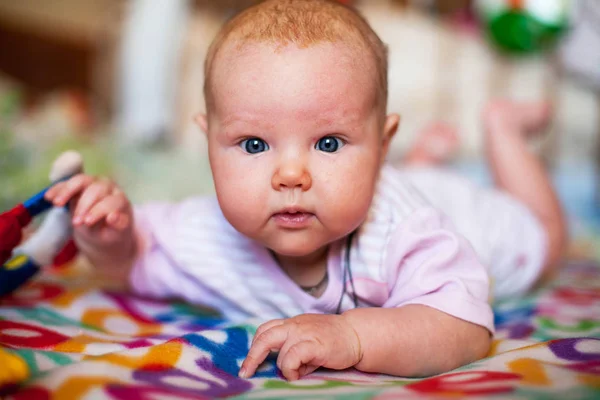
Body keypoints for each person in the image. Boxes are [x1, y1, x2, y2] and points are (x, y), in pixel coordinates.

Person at [44, 0, 566, 381]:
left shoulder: (406, 232)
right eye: (252, 144)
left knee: (546, 239)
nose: (290, 175)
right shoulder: (210, 231)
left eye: (329, 142)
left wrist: (352, 336)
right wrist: (108, 233)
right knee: (401, 181)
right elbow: (136, 257)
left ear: (382, 145)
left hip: (474, 219)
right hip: (398, 181)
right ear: (208, 145)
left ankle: (503, 129)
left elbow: (464, 326)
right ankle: (421, 158)